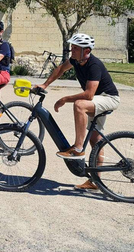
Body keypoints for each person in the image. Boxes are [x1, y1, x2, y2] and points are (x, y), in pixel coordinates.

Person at [35, 33, 120, 191]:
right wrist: (45, 85)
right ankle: (96, 182)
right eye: (72, 47)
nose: (71, 50)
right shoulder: (76, 60)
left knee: (80, 105)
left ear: (86, 51)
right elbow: (60, 69)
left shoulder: (94, 65)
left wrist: (64, 99)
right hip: (97, 100)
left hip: (108, 98)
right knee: (95, 140)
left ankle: (78, 149)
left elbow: (89, 95)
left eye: (75, 48)